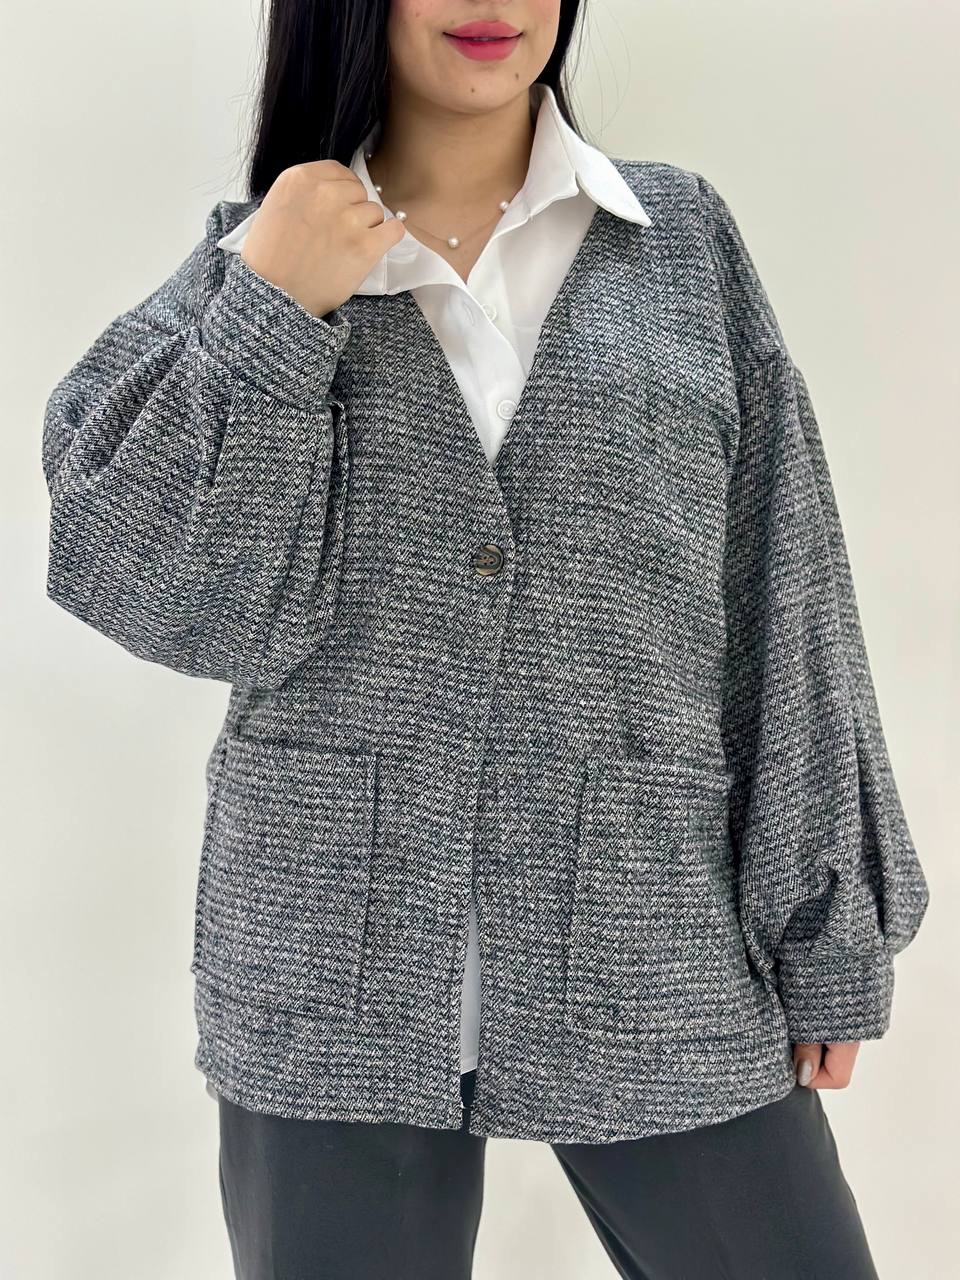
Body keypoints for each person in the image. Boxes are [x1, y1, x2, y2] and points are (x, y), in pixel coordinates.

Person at [41, 1, 930, 1277]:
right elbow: (166, 593)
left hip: (655, 933)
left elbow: (783, 589)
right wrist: (271, 311)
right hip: (324, 967)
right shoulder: (261, 258)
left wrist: (826, 922)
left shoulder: (678, 240)